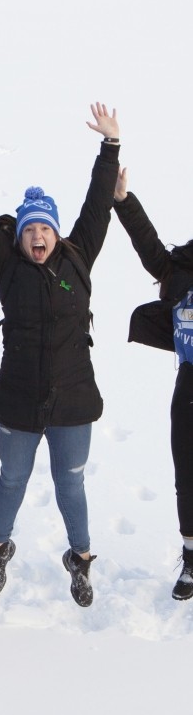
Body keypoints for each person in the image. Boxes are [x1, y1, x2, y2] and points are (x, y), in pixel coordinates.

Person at [0, 104, 120, 607]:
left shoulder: (79, 256)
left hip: (73, 399)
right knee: (12, 478)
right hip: (19, 399)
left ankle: (81, 558)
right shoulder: (8, 267)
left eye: (44, 229)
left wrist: (110, 147)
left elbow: (96, 205)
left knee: (71, 482)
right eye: (30, 231)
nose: (38, 237)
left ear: (55, 233)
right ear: (21, 237)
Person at [112, 168, 193, 600]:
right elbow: (152, 251)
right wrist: (123, 201)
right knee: (188, 474)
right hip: (190, 383)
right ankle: (192, 558)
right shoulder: (182, 267)